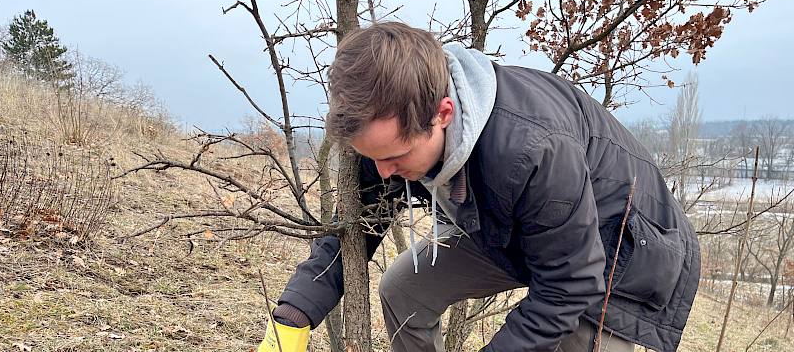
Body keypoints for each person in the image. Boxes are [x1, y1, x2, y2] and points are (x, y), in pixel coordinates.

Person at [257, 22, 700, 352]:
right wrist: (294, 315)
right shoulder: (384, 129)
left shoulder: (531, 148)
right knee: (404, 290)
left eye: (394, 157)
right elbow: (355, 230)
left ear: (443, 113)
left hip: (620, 253)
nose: (383, 171)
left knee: (572, 340)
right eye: (373, 157)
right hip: (515, 231)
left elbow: (569, 283)